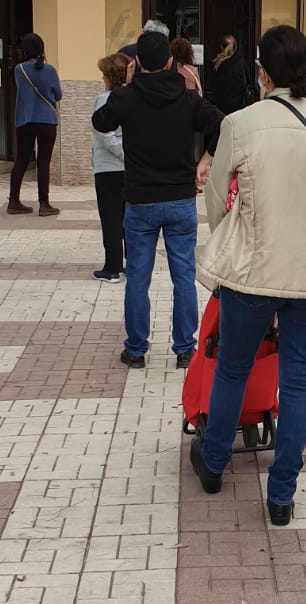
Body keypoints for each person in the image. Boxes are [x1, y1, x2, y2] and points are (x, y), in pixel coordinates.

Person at [191, 25, 306, 525]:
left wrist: (234, 236)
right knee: (299, 379)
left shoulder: (239, 123)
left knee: (234, 368)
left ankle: (214, 462)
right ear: (305, 70)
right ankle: (281, 496)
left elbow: (217, 200)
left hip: (253, 273)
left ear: (262, 72)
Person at [92, 29, 222, 369]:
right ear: (169, 62)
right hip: (180, 199)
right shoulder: (187, 97)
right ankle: (184, 350)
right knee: (183, 275)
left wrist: (125, 86)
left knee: (138, 277)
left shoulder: (127, 97)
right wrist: (206, 158)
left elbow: (100, 121)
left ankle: (136, 349)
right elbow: (222, 123)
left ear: (136, 63)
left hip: (140, 202)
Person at [7, 33, 62, 217]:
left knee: (21, 159)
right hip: (47, 120)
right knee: (44, 161)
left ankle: (14, 201)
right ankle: (44, 204)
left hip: (24, 120)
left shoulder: (18, 70)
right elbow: (58, 94)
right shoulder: (50, 70)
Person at [91, 54, 128, 283]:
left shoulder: (104, 100)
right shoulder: (132, 99)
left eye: (104, 74)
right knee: (129, 219)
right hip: (129, 169)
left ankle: (112, 267)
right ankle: (132, 265)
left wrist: (123, 153)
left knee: (111, 219)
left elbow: (103, 133)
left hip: (108, 169)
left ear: (109, 76)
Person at [210, 34, 250, 114]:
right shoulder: (241, 62)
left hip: (220, 105)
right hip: (238, 105)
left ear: (221, 47)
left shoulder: (217, 63)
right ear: (235, 47)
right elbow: (247, 81)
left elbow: (213, 84)